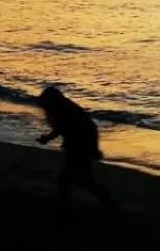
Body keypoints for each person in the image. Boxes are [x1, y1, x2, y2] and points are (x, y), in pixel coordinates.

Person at [35, 85, 118, 213]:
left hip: (80, 146)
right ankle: (109, 205)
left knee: (75, 180)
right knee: (80, 180)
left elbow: (77, 128)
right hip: (77, 145)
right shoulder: (63, 108)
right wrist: (48, 138)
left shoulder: (65, 110)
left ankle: (110, 206)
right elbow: (61, 128)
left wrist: (93, 148)